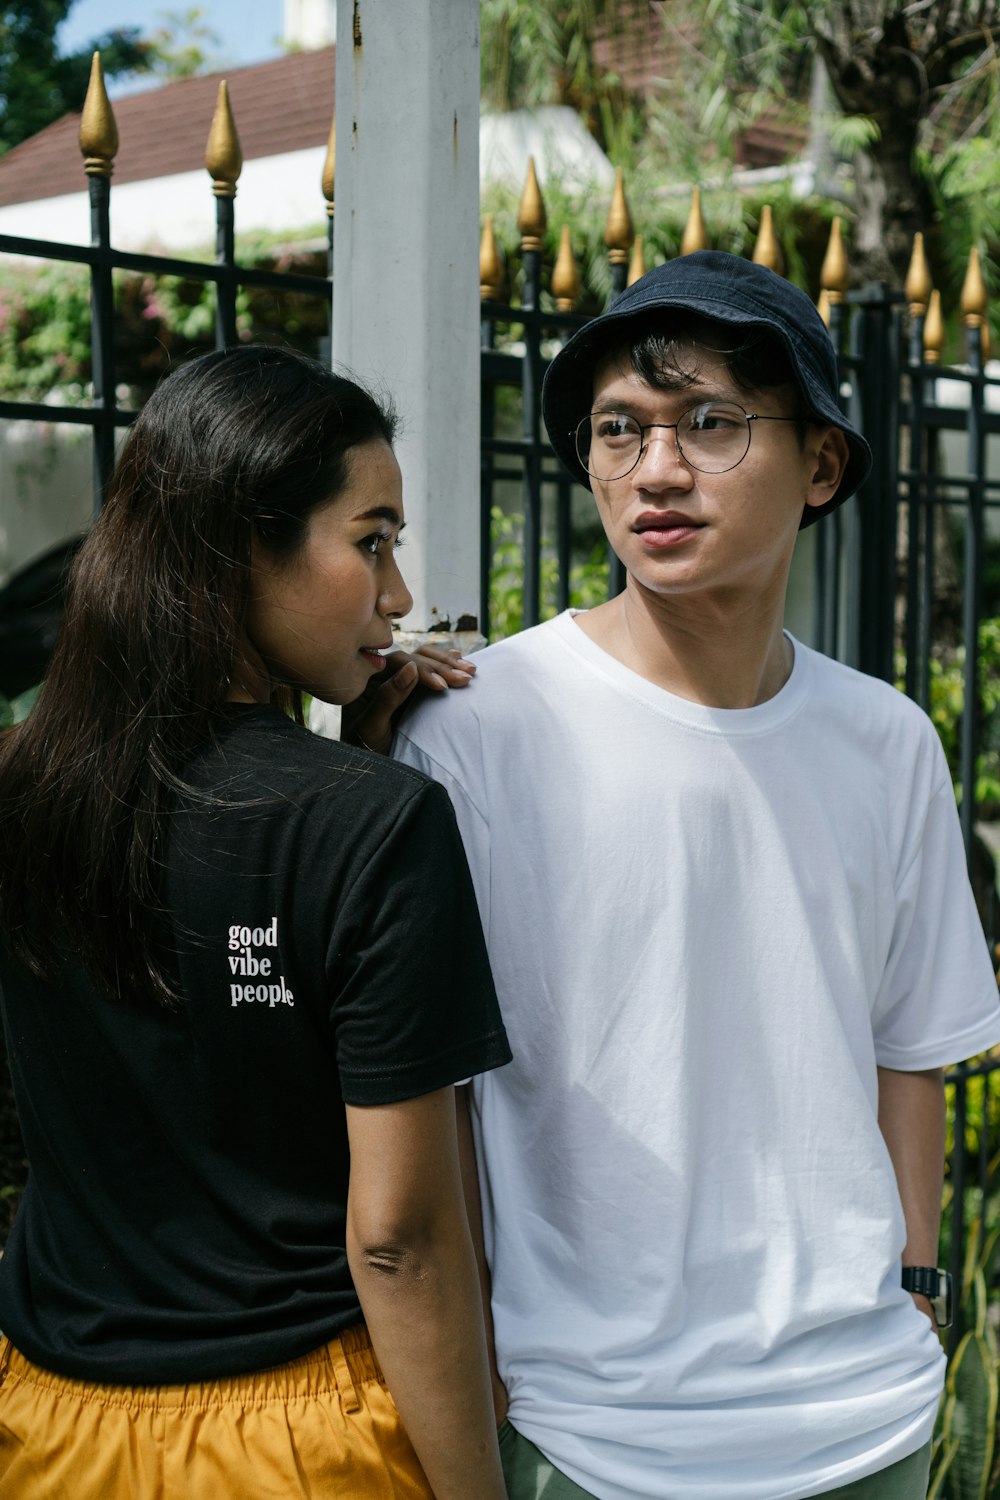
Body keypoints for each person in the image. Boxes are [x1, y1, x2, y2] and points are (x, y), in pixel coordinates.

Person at [395, 251, 1000, 1500]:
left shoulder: (885, 740)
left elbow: (909, 1051)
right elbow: (433, 1091)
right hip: (592, 1432)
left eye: (710, 424)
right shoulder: (479, 729)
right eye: (619, 431)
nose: (654, 471)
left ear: (822, 464)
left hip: (860, 1422)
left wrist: (917, 1294)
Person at [0, 345, 511, 1500]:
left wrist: (343, 773)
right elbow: (400, 1240)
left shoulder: (27, 795)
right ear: (243, 545)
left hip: (47, 1422)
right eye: (371, 540)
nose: (395, 594)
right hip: (296, 1440)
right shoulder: (378, 826)